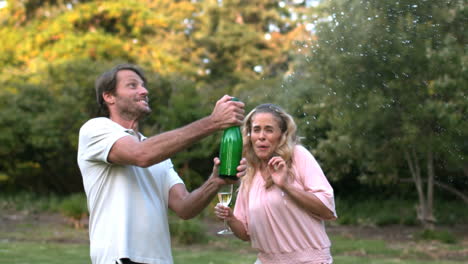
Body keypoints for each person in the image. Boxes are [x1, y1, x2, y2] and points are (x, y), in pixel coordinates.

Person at [77, 63, 247, 264]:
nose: (144, 91)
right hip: (121, 258)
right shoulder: (96, 129)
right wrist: (213, 122)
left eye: (143, 85)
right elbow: (141, 155)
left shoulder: (158, 152)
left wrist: (216, 181)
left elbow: (185, 208)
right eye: (133, 85)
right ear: (109, 97)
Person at [215, 103, 337, 264]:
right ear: (250, 135)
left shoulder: (298, 156)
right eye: (256, 129)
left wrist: (286, 185)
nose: (261, 136)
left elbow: (327, 211)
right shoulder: (250, 172)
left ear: (282, 134)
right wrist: (230, 218)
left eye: (269, 130)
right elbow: (245, 234)